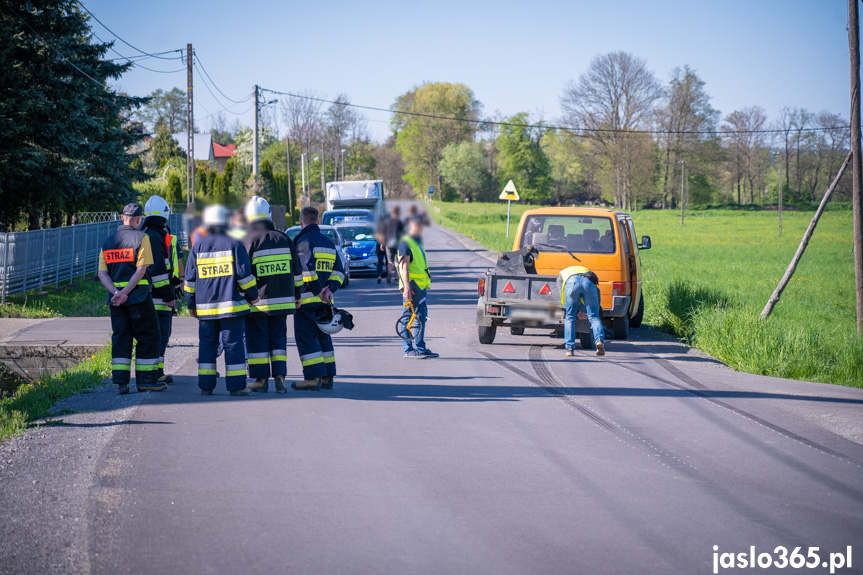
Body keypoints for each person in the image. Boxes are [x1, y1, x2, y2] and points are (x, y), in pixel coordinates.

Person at [185, 205, 259, 396]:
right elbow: (244, 276)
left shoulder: (197, 246)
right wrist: (253, 296)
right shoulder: (234, 243)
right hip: (230, 308)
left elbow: (190, 281)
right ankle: (236, 387)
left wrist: (191, 305)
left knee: (207, 347)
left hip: (205, 311)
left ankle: (206, 386)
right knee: (233, 346)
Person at [97, 203, 165, 394]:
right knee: (149, 336)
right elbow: (141, 270)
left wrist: (116, 293)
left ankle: (121, 383)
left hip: (116, 301)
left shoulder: (108, 242)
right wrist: (126, 292)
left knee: (121, 337)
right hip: (138, 298)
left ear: (121, 217)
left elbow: (103, 274)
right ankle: (146, 381)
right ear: (138, 220)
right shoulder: (142, 238)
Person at [241, 196, 301, 394]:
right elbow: (297, 272)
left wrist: (246, 296)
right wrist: (297, 295)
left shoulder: (247, 240)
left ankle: (260, 380)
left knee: (258, 340)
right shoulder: (284, 238)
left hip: (257, 303)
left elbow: (243, 273)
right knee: (278, 340)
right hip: (283, 302)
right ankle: (280, 378)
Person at [292, 206, 346, 390]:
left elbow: (306, 271)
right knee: (324, 338)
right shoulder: (328, 242)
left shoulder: (303, 242)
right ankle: (327, 378)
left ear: (301, 221)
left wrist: (318, 291)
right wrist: (329, 289)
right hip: (325, 303)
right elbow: (339, 272)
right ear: (317, 221)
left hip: (306, 301)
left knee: (307, 338)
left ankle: (313, 378)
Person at [140, 195, 180, 384]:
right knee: (159, 337)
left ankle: (157, 371)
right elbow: (158, 271)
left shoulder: (150, 235)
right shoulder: (155, 238)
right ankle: (154, 374)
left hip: (154, 298)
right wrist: (168, 294)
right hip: (159, 300)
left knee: (158, 337)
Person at [397, 215, 438, 359]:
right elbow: (404, 267)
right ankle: (408, 349)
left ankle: (420, 348)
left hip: (420, 288)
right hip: (412, 288)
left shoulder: (417, 242)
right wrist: (407, 288)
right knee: (408, 318)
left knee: (421, 318)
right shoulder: (405, 242)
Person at [557, 265, 605, 357]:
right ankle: (599, 340)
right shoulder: (589, 274)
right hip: (588, 284)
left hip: (571, 284)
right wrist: (586, 310)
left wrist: (577, 310)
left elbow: (562, 293)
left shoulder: (562, 274)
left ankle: (569, 348)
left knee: (570, 317)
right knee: (594, 317)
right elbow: (596, 292)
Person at [383, 205, 404, 283]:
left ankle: (389, 273)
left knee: (390, 261)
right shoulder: (399, 221)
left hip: (388, 242)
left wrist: (382, 244)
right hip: (398, 242)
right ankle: (396, 277)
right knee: (397, 260)